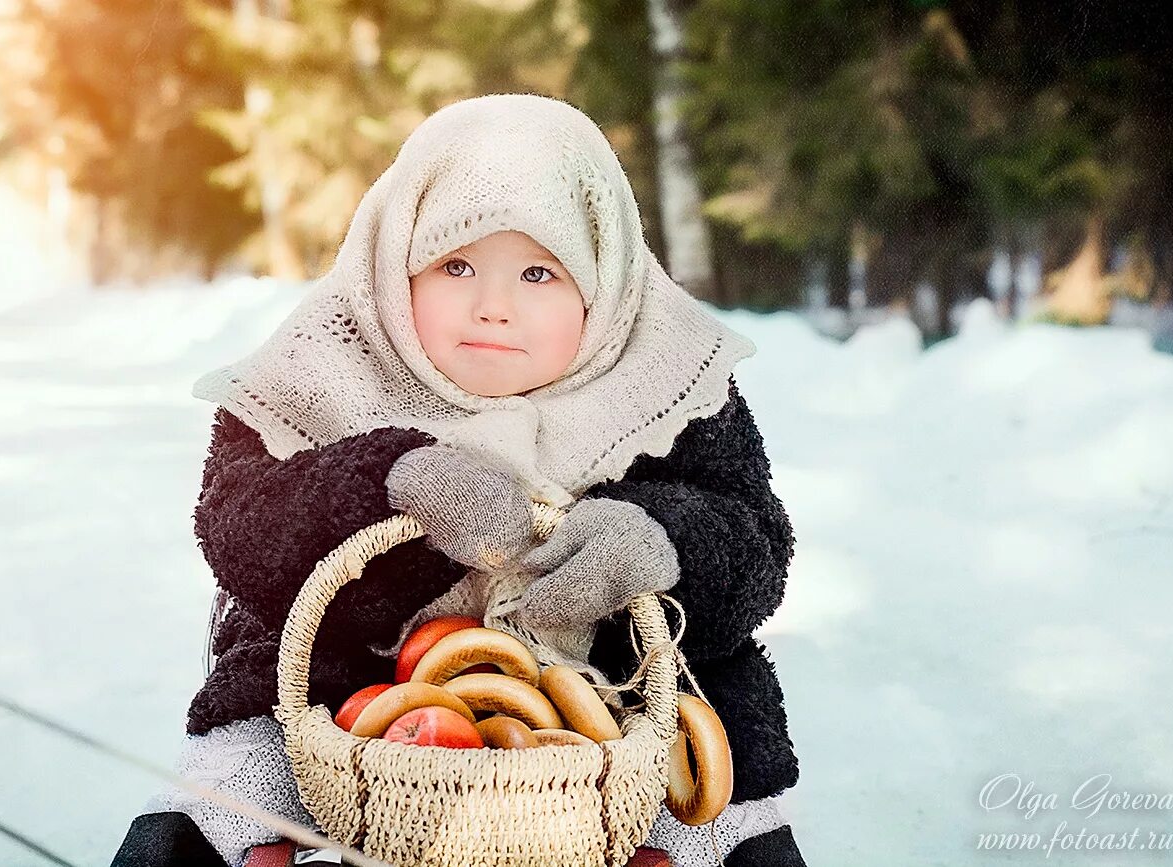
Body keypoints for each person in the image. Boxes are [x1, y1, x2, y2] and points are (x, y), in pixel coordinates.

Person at [110, 93, 805, 867]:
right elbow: (237, 520)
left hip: (619, 707)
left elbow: (757, 542)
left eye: (539, 271)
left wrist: (661, 535)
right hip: (346, 700)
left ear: (602, 280)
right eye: (455, 263)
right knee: (216, 809)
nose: (493, 306)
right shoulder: (323, 363)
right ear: (395, 256)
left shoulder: (669, 377)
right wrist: (388, 476)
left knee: (726, 822)